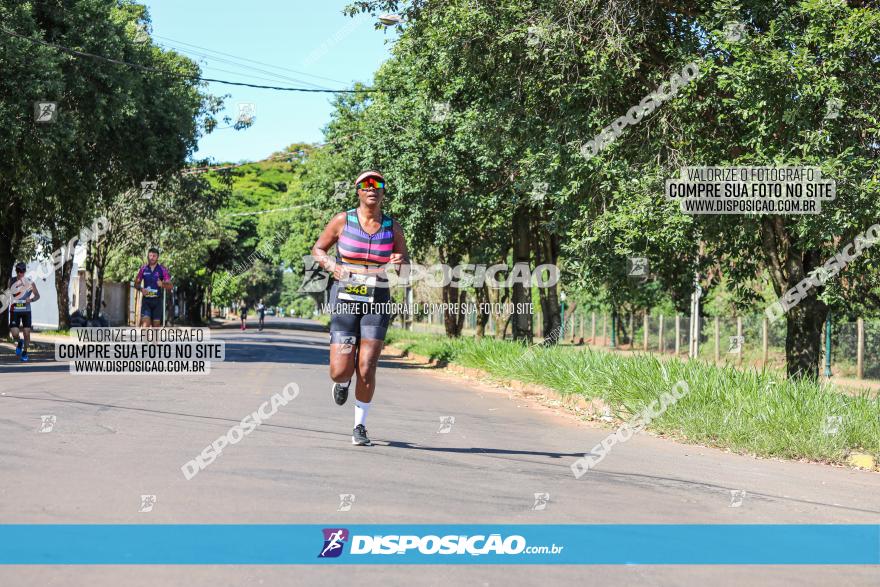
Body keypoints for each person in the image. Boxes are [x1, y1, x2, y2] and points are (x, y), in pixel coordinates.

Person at [311, 170, 409, 446]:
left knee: (366, 366)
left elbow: (405, 268)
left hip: (377, 299)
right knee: (340, 370)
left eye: (378, 184)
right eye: (366, 184)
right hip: (345, 297)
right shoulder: (343, 220)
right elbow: (318, 250)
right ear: (358, 190)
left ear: (383, 191)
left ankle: (360, 427)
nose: (372, 188)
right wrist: (333, 266)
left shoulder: (393, 227)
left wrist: (399, 262)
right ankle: (342, 384)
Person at [8, 262, 40, 362]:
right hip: (14, 310)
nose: (20, 273)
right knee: (14, 333)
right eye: (18, 271)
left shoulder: (30, 283)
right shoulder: (11, 281)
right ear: (16, 271)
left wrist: (31, 300)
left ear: (24, 272)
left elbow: (37, 296)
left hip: (26, 310)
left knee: (26, 332)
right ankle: (20, 342)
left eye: (21, 271)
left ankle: (25, 352)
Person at [134, 248, 172, 328]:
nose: (152, 257)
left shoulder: (162, 269)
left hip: (157, 301)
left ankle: (154, 341)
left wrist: (162, 284)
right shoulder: (143, 269)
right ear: (148, 256)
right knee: (145, 326)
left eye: (154, 256)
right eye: (150, 255)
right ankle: (146, 340)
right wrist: (141, 289)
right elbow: (136, 284)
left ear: (157, 257)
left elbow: (170, 286)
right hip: (146, 301)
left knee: (155, 329)